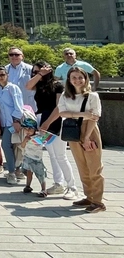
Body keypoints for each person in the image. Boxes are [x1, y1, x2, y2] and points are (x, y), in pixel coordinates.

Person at [59, 67, 105, 213]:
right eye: (74, 77)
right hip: (73, 131)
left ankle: (98, 201)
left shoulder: (92, 96)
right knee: (82, 166)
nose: (77, 80)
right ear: (69, 80)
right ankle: (89, 196)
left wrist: (86, 138)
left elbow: (94, 117)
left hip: (89, 131)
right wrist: (82, 114)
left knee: (94, 166)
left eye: (80, 77)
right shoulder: (65, 96)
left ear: (85, 78)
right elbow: (62, 112)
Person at [32, 61, 77, 200]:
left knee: (61, 155)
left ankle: (72, 187)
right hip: (42, 120)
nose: (36, 74)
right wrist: (39, 75)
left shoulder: (58, 85)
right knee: (52, 154)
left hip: (55, 121)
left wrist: (47, 123)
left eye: (38, 71)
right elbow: (27, 86)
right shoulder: (39, 85)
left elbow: (59, 107)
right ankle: (59, 184)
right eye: (34, 72)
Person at [0, 66, 24, 185]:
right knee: (13, 146)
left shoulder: (13, 88)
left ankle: (12, 172)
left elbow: (18, 106)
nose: (0, 77)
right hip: (3, 122)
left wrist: (16, 121)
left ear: (7, 75)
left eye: (2, 75)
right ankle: (17, 169)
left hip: (12, 122)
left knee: (6, 145)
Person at [20, 121, 48, 197]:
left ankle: (43, 189)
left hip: (36, 159)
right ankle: (28, 186)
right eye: (26, 129)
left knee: (40, 174)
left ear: (35, 130)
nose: (28, 131)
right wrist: (25, 140)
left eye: (30, 129)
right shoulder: (25, 137)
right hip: (27, 157)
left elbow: (44, 140)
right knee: (29, 173)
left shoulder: (38, 137)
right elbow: (22, 146)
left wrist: (42, 133)